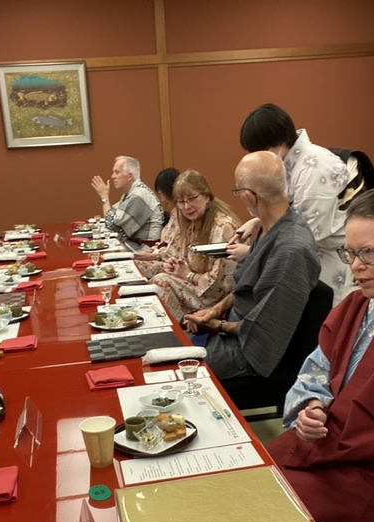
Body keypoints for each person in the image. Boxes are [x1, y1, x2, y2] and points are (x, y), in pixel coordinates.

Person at [266, 188, 374, 522]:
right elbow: (317, 369)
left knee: (271, 508)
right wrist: (312, 406)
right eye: (351, 253)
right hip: (328, 441)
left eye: (370, 253)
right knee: (252, 472)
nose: (357, 266)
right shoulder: (355, 306)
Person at [183, 151, 320, 379]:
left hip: (249, 350)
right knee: (169, 342)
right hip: (234, 327)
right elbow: (246, 288)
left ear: (250, 195)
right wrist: (215, 310)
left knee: (173, 367)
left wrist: (215, 325)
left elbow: (264, 330)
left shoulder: (290, 249)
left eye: (237, 191)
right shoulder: (271, 227)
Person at [238, 104, 353, 302]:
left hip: (333, 256)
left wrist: (253, 253)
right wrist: (257, 221)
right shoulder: (290, 163)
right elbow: (287, 212)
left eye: (261, 150)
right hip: (315, 251)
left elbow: (300, 232)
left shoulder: (316, 167)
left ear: (278, 141)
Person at [144, 170, 240, 321]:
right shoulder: (192, 223)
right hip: (196, 287)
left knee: (160, 283)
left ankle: (175, 331)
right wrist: (174, 265)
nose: (187, 206)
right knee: (151, 273)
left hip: (217, 299)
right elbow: (181, 257)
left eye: (192, 199)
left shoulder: (223, 227)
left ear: (207, 196)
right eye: (181, 202)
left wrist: (187, 275)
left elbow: (220, 285)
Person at [90, 156, 164, 244]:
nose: (112, 176)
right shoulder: (130, 193)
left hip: (145, 248)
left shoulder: (139, 195)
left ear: (129, 176)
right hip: (135, 244)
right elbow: (112, 216)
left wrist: (104, 197)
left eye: (117, 172)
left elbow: (111, 225)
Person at [134, 168, 180, 265]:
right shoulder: (175, 213)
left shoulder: (184, 215)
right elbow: (165, 242)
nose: (162, 199)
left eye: (161, 194)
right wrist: (152, 250)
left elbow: (177, 248)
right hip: (162, 254)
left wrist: (156, 255)